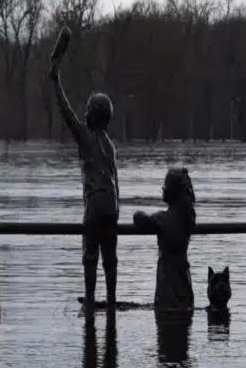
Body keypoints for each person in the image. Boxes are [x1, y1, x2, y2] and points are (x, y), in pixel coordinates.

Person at [49, 53, 119, 310]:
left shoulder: (86, 138)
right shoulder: (110, 145)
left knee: (90, 256)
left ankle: (90, 302)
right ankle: (111, 302)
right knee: (110, 259)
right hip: (111, 206)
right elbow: (116, 182)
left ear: (92, 115)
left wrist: (56, 81)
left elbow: (66, 113)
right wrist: (116, 211)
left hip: (95, 204)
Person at [133, 167, 196, 309]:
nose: (163, 188)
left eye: (165, 185)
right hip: (184, 281)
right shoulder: (189, 218)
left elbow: (138, 218)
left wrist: (139, 211)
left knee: (165, 325)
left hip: (167, 286)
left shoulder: (162, 220)